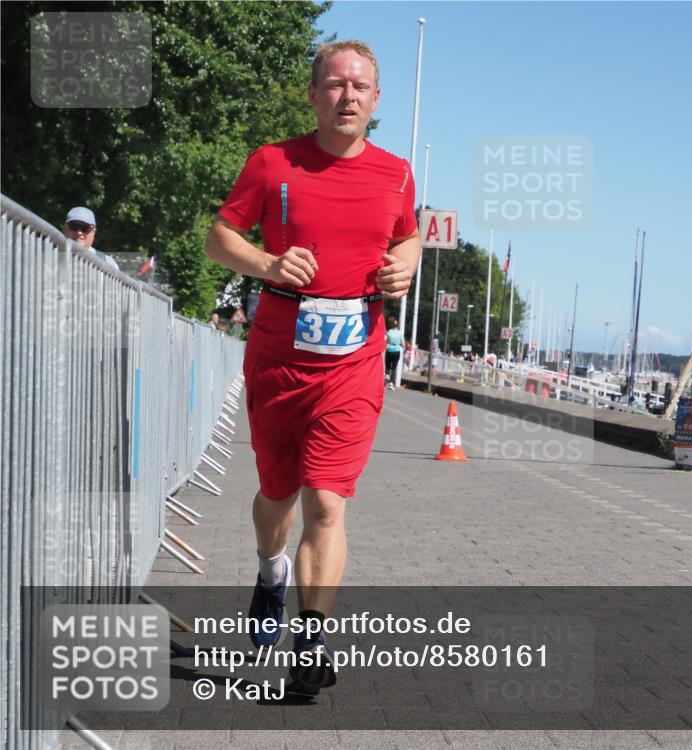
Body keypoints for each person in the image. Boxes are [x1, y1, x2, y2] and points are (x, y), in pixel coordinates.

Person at [203, 40, 419, 695]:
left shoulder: (397, 174)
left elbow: (407, 233)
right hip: (278, 356)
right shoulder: (272, 163)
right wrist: (267, 264)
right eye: (334, 84)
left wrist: (407, 262)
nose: (347, 96)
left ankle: (312, 637)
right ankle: (271, 573)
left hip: (354, 359)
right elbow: (220, 238)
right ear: (313, 93)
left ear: (376, 101)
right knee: (277, 497)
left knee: (327, 499)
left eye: (360, 87)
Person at [63, 206, 120, 271]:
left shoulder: (108, 263)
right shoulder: (51, 254)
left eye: (85, 227)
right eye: (74, 226)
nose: (79, 232)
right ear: (65, 228)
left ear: (93, 232)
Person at [384, 317, 403, 390]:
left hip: (389, 350)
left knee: (388, 366)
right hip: (397, 351)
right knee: (394, 368)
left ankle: (386, 380)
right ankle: (391, 383)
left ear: (391, 325)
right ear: (397, 326)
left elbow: (385, 340)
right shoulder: (400, 333)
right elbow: (403, 343)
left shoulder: (388, 332)